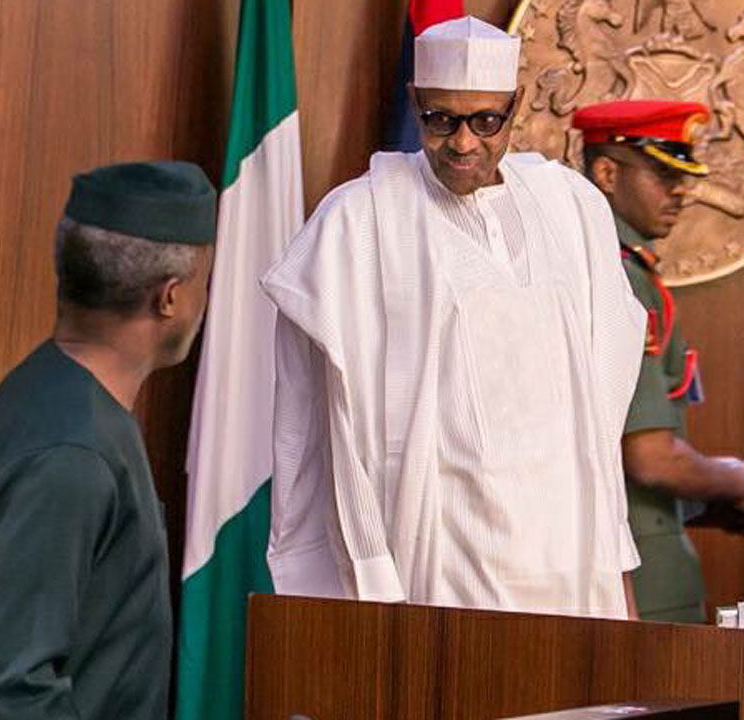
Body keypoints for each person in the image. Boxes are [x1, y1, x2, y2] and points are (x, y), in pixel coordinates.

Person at [261, 17, 646, 619]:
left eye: (485, 121)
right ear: (415, 104)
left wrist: (613, 553)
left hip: (569, 551)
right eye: (441, 120)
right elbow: (326, 419)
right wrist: (370, 578)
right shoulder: (359, 221)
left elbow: (605, 391)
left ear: (515, 109)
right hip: (437, 556)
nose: (463, 143)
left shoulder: (569, 208)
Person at [0, 161, 217, 719]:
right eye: (204, 281)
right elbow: (15, 688)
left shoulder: (60, 398)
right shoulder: (71, 451)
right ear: (170, 297)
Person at [573, 100, 744, 622]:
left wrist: (731, 477)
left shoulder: (605, 269)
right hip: (637, 572)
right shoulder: (619, 281)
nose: (680, 191)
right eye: (664, 175)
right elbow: (650, 459)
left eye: (684, 175)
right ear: (605, 172)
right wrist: (742, 482)